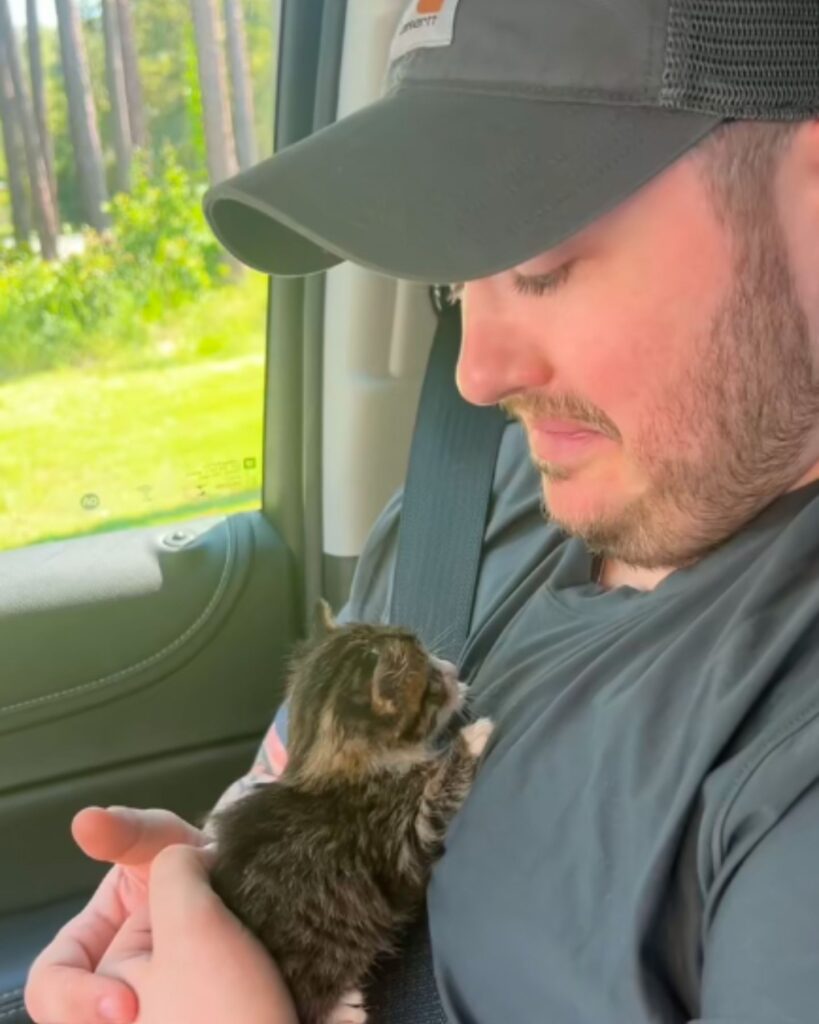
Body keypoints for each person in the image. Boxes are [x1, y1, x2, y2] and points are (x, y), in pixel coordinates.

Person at [25, 0, 819, 1021]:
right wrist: (222, 904)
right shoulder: (488, 496)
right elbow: (305, 777)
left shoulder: (785, 764)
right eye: (454, 280)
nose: (477, 377)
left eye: (539, 268)